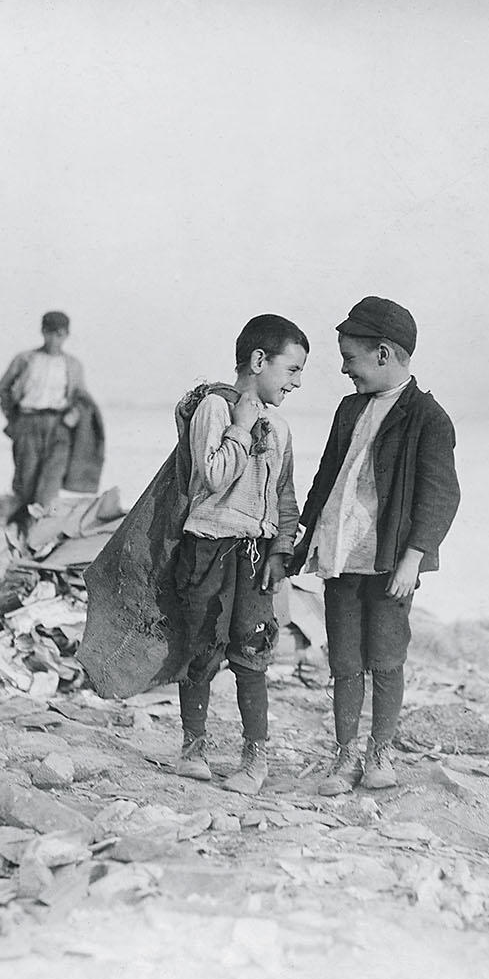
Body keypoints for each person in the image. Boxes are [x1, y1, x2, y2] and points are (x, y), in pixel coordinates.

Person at [290, 296, 460, 795]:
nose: (344, 370)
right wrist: (300, 540)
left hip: (389, 564)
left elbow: (441, 494)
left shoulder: (428, 417)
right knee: (344, 658)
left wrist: (413, 559)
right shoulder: (349, 410)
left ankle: (380, 752)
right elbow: (327, 479)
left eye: (350, 359)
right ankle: (345, 756)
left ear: (384, 354)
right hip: (342, 555)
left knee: (385, 658)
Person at [168, 314, 308, 794]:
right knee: (201, 647)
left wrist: (280, 554)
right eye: (291, 371)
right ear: (257, 360)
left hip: (254, 556)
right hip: (207, 546)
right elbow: (213, 475)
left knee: (252, 652)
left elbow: (285, 498)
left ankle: (255, 759)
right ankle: (194, 747)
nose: (294, 384)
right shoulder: (215, 407)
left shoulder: (282, 428)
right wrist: (242, 428)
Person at [0, 311, 93, 530]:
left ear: (67, 335)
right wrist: (14, 418)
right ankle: (17, 535)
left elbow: (81, 398)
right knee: (25, 483)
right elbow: (4, 388)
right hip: (29, 423)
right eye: (50, 333)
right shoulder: (26, 359)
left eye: (60, 334)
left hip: (59, 428)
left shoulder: (73, 365)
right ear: (43, 332)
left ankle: (40, 538)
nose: (54, 339)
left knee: (49, 488)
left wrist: (72, 417)